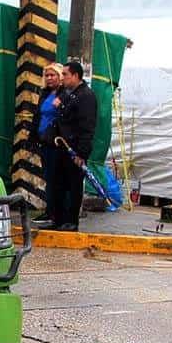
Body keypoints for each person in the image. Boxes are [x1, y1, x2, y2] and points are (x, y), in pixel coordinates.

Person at [47, 61, 97, 232]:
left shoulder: (86, 96)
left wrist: (81, 153)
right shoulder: (70, 94)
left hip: (74, 148)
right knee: (59, 184)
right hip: (62, 146)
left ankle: (71, 221)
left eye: (65, 75)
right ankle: (58, 219)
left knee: (73, 186)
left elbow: (87, 126)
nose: (63, 78)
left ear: (75, 75)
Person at [33, 62, 63, 224]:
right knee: (48, 177)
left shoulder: (63, 94)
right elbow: (39, 115)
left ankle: (56, 212)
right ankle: (49, 210)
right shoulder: (45, 93)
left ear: (60, 77)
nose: (50, 78)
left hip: (56, 142)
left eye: (53, 75)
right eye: (47, 75)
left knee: (55, 178)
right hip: (43, 140)